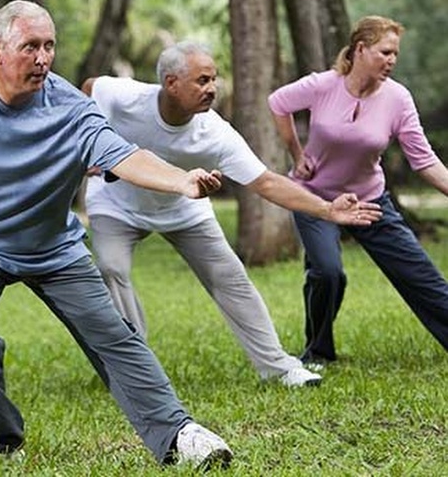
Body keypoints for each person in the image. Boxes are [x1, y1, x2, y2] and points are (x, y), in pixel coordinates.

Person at [0, 0, 234, 470]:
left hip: (52, 248)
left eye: (49, 46)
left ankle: (180, 434)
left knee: (114, 336)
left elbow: (125, 155)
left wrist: (181, 181)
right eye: (30, 47)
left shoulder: (71, 109)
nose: (43, 59)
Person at [80, 41, 381, 388]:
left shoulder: (215, 132)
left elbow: (266, 182)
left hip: (184, 208)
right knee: (112, 268)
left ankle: (279, 368)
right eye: (202, 80)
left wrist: (326, 208)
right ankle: (135, 368)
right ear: (171, 83)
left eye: (214, 79)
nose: (212, 88)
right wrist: (87, 143)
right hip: (116, 204)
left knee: (232, 279)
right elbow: (90, 87)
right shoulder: (127, 97)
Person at [268, 15, 448, 366]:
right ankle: (318, 351)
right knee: (327, 273)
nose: (392, 60)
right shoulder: (323, 85)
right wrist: (296, 153)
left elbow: (424, 160)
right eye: (385, 52)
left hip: (370, 200)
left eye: (395, 54)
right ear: (361, 49)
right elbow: (278, 102)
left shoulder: (397, 98)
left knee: (421, 276)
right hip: (314, 198)